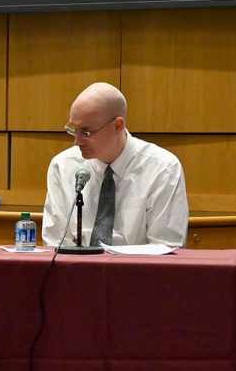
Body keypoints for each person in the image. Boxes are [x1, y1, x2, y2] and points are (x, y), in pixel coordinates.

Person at [42, 82, 188, 248]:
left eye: (86, 132)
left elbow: (166, 247)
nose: (77, 141)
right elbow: (55, 244)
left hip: (139, 272)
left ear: (118, 125)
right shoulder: (62, 166)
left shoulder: (163, 169)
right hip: (76, 271)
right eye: (73, 129)